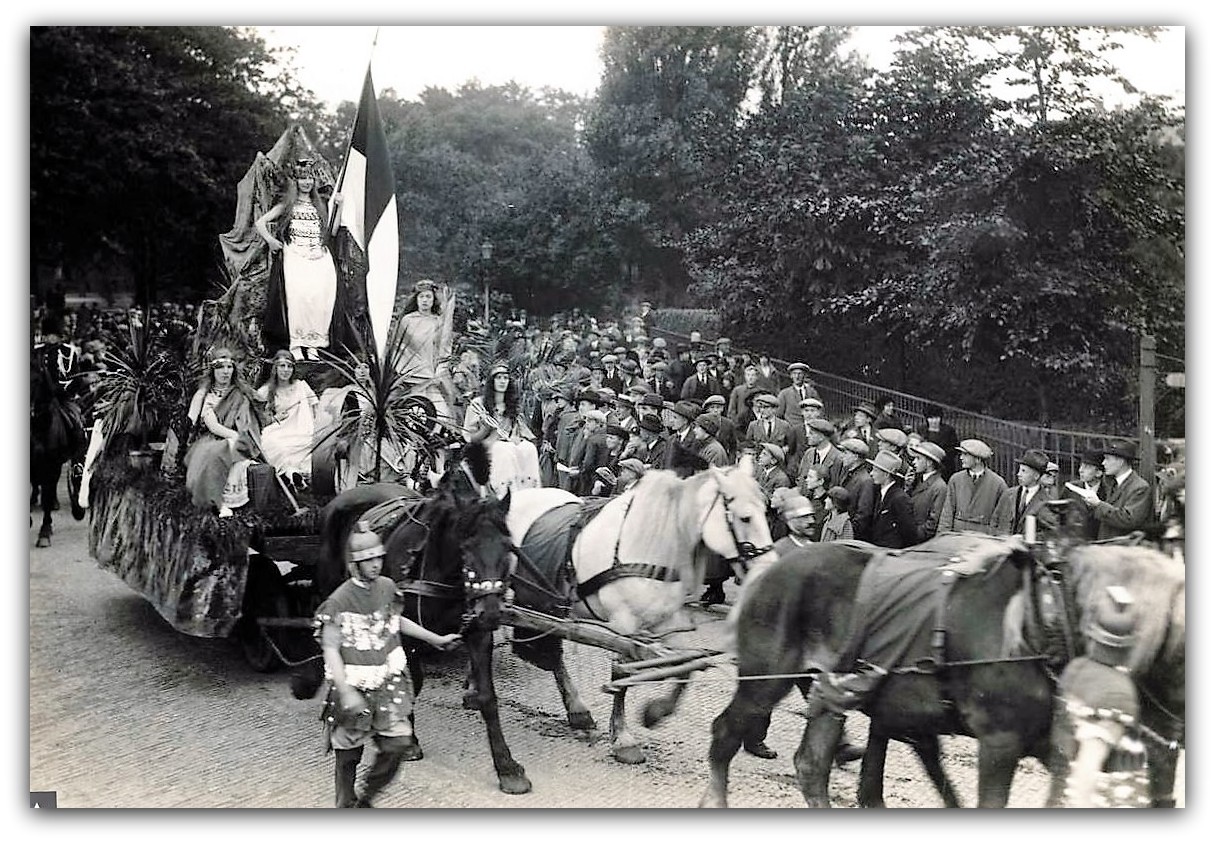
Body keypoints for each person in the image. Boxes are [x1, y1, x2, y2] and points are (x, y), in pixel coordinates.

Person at [315, 523, 462, 808]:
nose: (375, 565)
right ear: (354, 564)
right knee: (349, 750)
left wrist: (436, 639)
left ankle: (367, 798)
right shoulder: (339, 600)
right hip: (354, 684)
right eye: (367, 560)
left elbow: (396, 621)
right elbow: (330, 647)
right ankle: (345, 801)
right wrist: (345, 691)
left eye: (378, 558)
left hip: (386, 683)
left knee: (398, 742)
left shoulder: (387, 587)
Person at [1056, 585, 1151, 808]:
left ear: (1091, 635)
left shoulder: (1076, 670)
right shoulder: (1118, 691)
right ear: (1129, 645)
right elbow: (1089, 763)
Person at [256, 158, 341, 361]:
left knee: (321, 299)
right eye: (302, 179)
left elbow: (333, 230)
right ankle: (297, 344)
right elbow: (261, 222)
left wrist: (340, 206)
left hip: (319, 256)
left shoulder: (321, 205)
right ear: (296, 181)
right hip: (295, 255)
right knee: (298, 300)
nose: (306, 183)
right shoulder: (288, 204)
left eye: (309, 178)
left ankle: (314, 345)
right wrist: (270, 240)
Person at [182, 348, 264, 516]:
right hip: (213, 438)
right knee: (217, 451)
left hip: (242, 435)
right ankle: (219, 502)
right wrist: (233, 436)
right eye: (220, 367)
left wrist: (242, 432)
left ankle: (234, 499)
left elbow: (250, 417)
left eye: (229, 367)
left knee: (232, 447)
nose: (225, 372)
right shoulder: (207, 395)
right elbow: (212, 425)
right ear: (213, 371)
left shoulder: (240, 393)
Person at [463, 363, 541, 499]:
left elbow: (520, 432)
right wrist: (485, 429)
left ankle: (529, 493)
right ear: (491, 381)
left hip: (508, 443)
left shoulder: (511, 406)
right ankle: (504, 493)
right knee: (503, 450)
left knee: (529, 448)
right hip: (486, 447)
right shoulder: (478, 404)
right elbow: (470, 438)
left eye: (505, 378)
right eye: (498, 378)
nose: (502, 381)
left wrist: (518, 439)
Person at [256, 349, 319, 490]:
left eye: (289, 366)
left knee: (310, 444)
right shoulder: (265, 390)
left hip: (303, 429)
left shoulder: (301, 386)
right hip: (279, 428)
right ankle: (292, 475)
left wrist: (318, 426)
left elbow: (316, 408)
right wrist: (274, 418)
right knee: (275, 445)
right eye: (282, 366)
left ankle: (293, 476)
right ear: (275, 368)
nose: (286, 370)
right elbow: (258, 417)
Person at [398, 279, 458, 422]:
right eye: (421, 296)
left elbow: (444, 347)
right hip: (411, 378)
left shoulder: (437, 322)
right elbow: (398, 348)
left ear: (433, 300)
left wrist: (438, 372)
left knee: (441, 417)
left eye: (428, 296)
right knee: (412, 416)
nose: (425, 300)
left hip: (432, 377)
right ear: (416, 299)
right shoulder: (407, 321)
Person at [1069, 441, 1153, 541]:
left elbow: (1129, 520)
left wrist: (1098, 504)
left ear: (1121, 462)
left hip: (1125, 548)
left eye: (1107, 459)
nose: (1103, 463)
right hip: (1109, 546)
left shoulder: (1140, 487)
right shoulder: (1111, 483)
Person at [938, 438, 1008, 535]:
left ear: (978, 459)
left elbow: (1002, 518)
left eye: (965, 455)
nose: (961, 458)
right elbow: (947, 513)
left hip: (982, 540)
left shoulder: (998, 484)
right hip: (956, 537)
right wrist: (943, 536)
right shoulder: (956, 479)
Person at [992, 448, 1058, 537]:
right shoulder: (1008, 494)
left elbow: (1049, 534)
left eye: (1024, 471)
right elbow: (994, 521)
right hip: (1003, 546)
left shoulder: (1047, 503)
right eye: (1019, 470)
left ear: (1036, 476)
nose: (1018, 474)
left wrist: (1024, 538)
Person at [865, 450, 920, 548]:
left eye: (875, 470)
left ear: (886, 474)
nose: (871, 474)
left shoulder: (899, 498)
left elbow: (909, 534)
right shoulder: (880, 493)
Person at [907, 440, 948, 540]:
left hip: (921, 543)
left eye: (918, 458)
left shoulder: (939, 487)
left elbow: (933, 523)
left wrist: (912, 535)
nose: (914, 462)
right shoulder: (917, 480)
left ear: (929, 462)